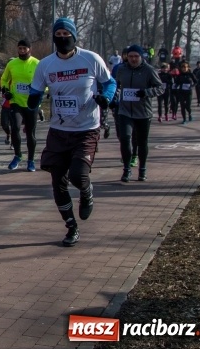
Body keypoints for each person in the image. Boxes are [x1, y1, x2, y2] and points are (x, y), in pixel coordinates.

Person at [27, 18, 117, 247]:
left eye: (66, 34)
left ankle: (86, 192)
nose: (62, 38)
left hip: (85, 129)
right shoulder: (46, 65)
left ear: (74, 37)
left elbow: (110, 82)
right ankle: (71, 227)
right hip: (59, 131)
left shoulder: (90, 58)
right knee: (58, 182)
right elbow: (36, 89)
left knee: (78, 175)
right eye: (58, 34)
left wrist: (105, 97)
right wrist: (32, 100)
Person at [113, 44, 164, 182]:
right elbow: (116, 86)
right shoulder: (122, 69)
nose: (133, 59)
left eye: (136, 56)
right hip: (125, 111)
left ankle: (142, 169)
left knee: (142, 142)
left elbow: (160, 88)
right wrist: (113, 99)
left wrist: (146, 93)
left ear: (141, 57)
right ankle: (126, 170)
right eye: (130, 56)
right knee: (125, 139)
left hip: (143, 112)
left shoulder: (148, 70)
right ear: (126, 57)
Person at [0, 39, 40, 172]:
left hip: (31, 103)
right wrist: (6, 90)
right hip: (15, 102)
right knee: (15, 128)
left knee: (30, 133)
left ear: (30, 49)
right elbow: (4, 79)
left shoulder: (37, 63)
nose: (22, 51)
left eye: (25, 48)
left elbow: (45, 83)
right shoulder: (12, 63)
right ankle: (18, 155)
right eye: (20, 48)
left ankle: (31, 160)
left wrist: (38, 91)